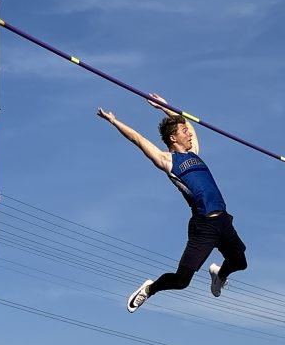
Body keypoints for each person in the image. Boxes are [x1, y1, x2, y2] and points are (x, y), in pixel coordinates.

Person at [97, 94, 248, 313]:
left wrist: (164, 107)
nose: (189, 133)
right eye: (184, 132)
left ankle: (219, 275)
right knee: (181, 280)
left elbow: (185, 121)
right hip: (204, 226)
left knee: (240, 262)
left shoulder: (194, 152)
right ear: (173, 138)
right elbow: (137, 139)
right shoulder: (168, 161)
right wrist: (114, 121)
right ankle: (150, 288)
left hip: (223, 221)